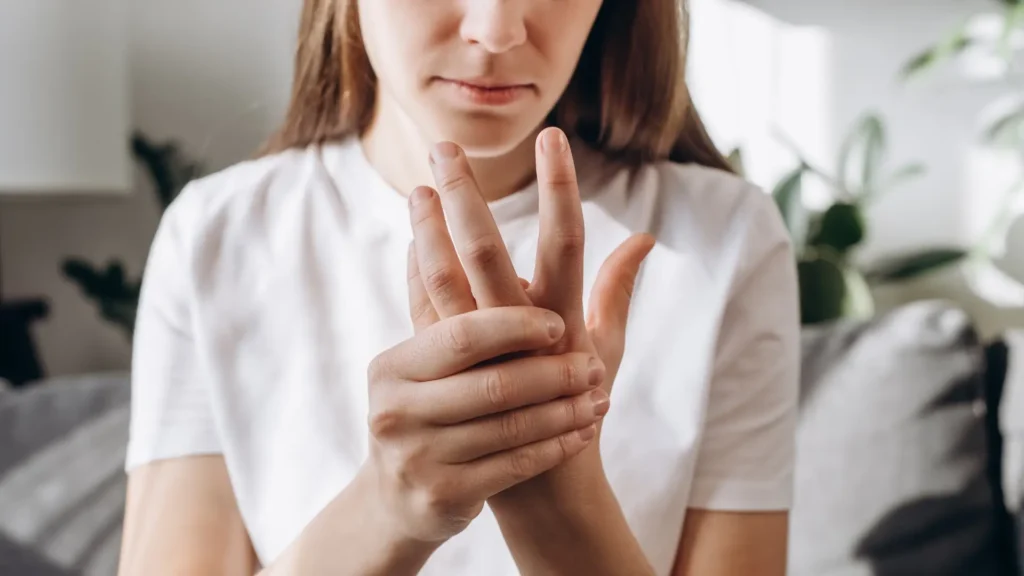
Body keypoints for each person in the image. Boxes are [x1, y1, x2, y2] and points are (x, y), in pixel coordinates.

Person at [117, 0, 800, 574]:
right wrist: (391, 506)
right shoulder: (217, 237)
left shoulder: (725, 238)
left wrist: (558, 504)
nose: (496, 31)